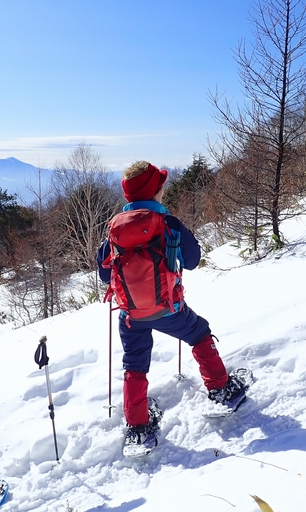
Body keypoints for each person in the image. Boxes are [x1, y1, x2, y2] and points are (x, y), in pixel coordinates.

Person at [97, 161, 246, 454]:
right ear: (156, 191)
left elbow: (104, 274)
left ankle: (138, 426)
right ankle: (221, 389)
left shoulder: (114, 229)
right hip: (169, 309)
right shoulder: (168, 224)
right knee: (199, 333)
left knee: (134, 363)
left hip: (130, 314)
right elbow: (193, 260)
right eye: (161, 185)